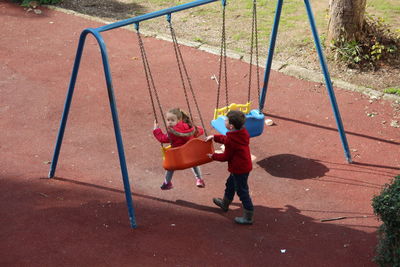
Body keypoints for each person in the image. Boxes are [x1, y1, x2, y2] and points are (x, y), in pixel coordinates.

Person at [206, 110, 254, 225]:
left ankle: (248, 216)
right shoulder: (241, 133)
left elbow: (225, 156)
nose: (224, 121)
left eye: (226, 120)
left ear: (231, 126)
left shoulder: (232, 140)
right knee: (230, 185)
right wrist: (214, 137)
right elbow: (227, 140)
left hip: (239, 169)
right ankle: (225, 203)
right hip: (242, 167)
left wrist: (213, 156)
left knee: (242, 192)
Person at [153, 108, 206, 190]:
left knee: (170, 167)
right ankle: (199, 179)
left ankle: (167, 183)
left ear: (179, 120)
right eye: (168, 120)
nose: (170, 122)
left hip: (178, 157)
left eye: (172, 120)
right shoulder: (189, 126)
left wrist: (156, 129)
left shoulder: (172, 132)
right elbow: (200, 131)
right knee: (194, 163)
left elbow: (162, 138)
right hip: (190, 153)